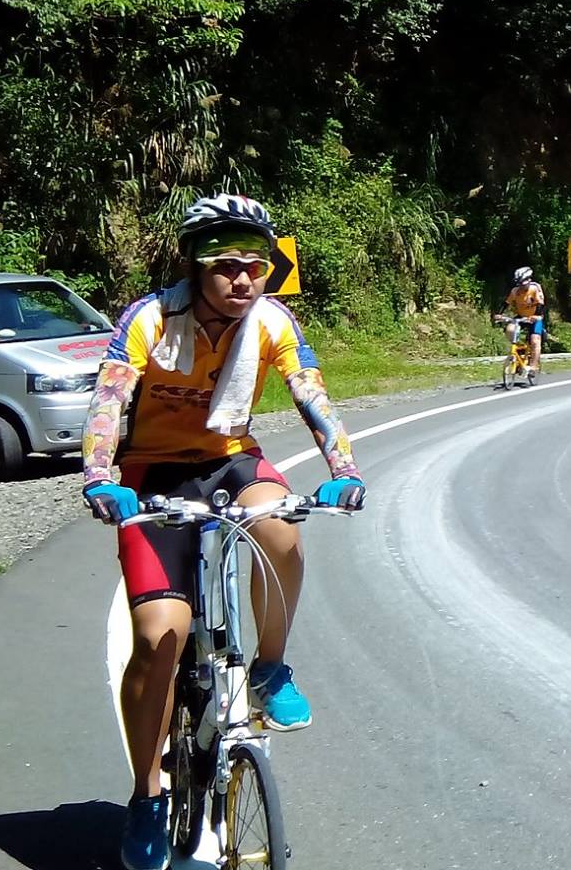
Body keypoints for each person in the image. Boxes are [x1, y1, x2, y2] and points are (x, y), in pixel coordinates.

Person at [78, 194, 366, 870]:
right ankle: (147, 796)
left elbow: (311, 393)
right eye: (226, 266)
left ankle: (269, 669)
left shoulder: (272, 322)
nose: (243, 280)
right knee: (162, 635)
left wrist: (345, 470)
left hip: (230, 459)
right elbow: (109, 398)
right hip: (152, 472)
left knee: (281, 525)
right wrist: (99, 477)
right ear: (196, 267)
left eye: (256, 266)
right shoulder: (151, 318)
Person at [498, 265, 546, 384]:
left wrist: (537, 316)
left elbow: (540, 304)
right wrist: (499, 314)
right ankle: (518, 352)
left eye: (523, 284)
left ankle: (533, 367)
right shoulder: (515, 291)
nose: (522, 287)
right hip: (521, 317)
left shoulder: (535, 289)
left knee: (535, 341)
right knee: (510, 329)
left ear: (529, 280)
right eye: (519, 284)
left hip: (535, 317)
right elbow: (506, 303)